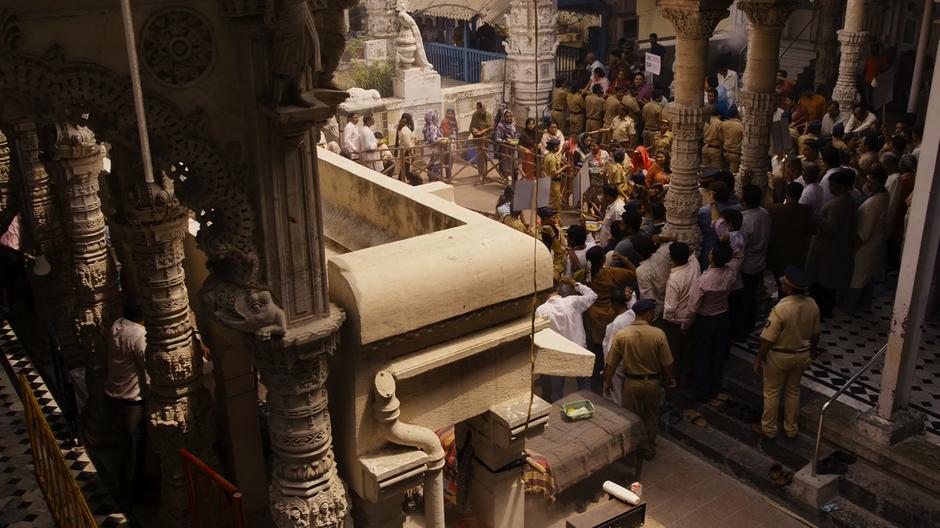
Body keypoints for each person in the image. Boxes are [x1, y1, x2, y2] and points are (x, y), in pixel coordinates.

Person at [683, 203, 744, 402]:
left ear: (713, 256)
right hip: (723, 317)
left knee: (702, 356)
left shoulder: (704, 281)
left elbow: (693, 307)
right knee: (717, 356)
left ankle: (701, 391)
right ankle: (715, 387)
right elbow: (736, 255)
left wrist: (686, 325)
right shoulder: (731, 271)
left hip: (706, 321)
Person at [752, 267, 820, 440]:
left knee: (772, 392)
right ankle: (791, 428)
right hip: (802, 354)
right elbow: (816, 334)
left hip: (780, 355)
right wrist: (811, 352)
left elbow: (768, 338)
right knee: (793, 391)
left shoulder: (781, 309)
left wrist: (759, 357)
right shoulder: (812, 305)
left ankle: (768, 428)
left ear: (788, 288)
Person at [604, 298, 676, 460]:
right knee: (651, 416)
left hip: (631, 383)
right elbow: (667, 363)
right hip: (652, 383)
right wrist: (671, 378)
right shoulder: (658, 334)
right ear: (649, 314)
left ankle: (632, 449)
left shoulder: (622, 335)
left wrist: (607, 382)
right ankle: (649, 448)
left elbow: (611, 362)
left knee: (631, 417)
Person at [106, 301, 149, 506]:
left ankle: (123, 489)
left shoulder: (118, 325)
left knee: (124, 450)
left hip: (114, 397)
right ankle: (130, 499)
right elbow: (148, 366)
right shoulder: (138, 335)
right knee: (133, 452)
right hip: (131, 403)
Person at [805, 169, 858, 318]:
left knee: (823, 285)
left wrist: (815, 218)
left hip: (830, 250)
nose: (830, 188)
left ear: (842, 186)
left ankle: (820, 312)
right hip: (834, 248)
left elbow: (831, 228)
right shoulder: (845, 200)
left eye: (833, 185)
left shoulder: (840, 203)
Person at [536, 277, 598, 402]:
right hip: (579, 351)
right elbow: (593, 295)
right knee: (584, 388)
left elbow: (541, 334)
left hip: (557, 354)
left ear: (543, 292)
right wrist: (574, 283)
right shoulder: (572, 301)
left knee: (557, 394)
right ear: (558, 288)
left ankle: (557, 418)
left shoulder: (541, 310)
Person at [585, 246, 637, 389]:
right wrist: (624, 259)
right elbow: (635, 273)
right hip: (610, 315)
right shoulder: (611, 273)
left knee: (595, 350)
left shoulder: (585, 275)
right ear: (603, 259)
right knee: (610, 348)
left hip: (592, 318)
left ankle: (595, 380)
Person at [845, 168, 889, 313]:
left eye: (873, 183)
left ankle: (850, 307)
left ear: (881, 183)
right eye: (868, 181)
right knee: (866, 275)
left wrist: (853, 248)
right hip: (872, 242)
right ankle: (863, 304)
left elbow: (864, 232)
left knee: (857, 277)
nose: (869, 185)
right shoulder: (880, 194)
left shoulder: (875, 202)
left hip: (865, 245)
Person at [735, 185, 772, 339]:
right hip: (760, 260)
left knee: (745, 297)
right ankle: (750, 322)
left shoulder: (745, 220)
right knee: (752, 294)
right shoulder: (764, 213)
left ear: (744, 202)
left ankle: (743, 328)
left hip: (748, 263)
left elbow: (741, 244)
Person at [662, 242, 700, 386]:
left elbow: (670, 308)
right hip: (691, 315)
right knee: (687, 348)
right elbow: (693, 252)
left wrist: (668, 320)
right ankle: (686, 374)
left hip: (676, 320)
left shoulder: (675, 279)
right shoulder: (694, 263)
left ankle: (673, 378)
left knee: (673, 351)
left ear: (672, 259)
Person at [767, 182, 815, 283]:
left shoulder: (773, 210)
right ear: (800, 195)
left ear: (786, 193)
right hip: (797, 255)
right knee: (793, 283)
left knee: (781, 284)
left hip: (778, 255)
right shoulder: (806, 212)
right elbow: (812, 231)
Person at [602, 289, 637, 405]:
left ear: (614, 304)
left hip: (617, 366)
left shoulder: (618, 322)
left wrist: (607, 376)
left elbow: (612, 352)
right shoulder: (633, 314)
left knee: (616, 400)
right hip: (631, 362)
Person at [494, 109, 520, 183]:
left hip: (514, 147)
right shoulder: (500, 126)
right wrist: (505, 141)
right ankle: (505, 181)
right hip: (505, 148)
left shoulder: (513, 124)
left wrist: (516, 138)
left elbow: (517, 133)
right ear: (504, 117)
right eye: (507, 116)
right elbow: (497, 138)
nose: (509, 118)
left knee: (515, 164)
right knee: (506, 164)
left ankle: (514, 181)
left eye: (510, 116)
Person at [543, 138, 567, 214]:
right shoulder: (552, 158)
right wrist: (564, 167)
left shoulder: (549, 155)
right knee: (555, 203)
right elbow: (554, 173)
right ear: (555, 147)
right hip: (554, 182)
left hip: (552, 181)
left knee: (554, 200)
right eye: (558, 146)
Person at [396, 113, 419, 185]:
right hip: (406, 152)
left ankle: (401, 182)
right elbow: (407, 143)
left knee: (403, 169)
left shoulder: (402, 128)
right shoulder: (405, 129)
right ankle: (413, 181)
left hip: (404, 151)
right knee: (406, 169)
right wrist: (412, 153)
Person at [720, 105, 744, 174]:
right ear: (737, 114)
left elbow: (721, 138)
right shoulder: (740, 126)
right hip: (735, 154)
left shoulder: (723, 124)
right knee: (733, 176)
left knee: (724, 174)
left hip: (724, 152)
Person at [423, 110, 446, 181]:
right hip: (434, 149)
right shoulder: (433, 127)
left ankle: (431, 177)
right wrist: (443, 138)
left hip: (427, 149)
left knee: (430, 164)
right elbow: (433, 139)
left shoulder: (425, 126)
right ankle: (436, 179)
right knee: (435, 163)